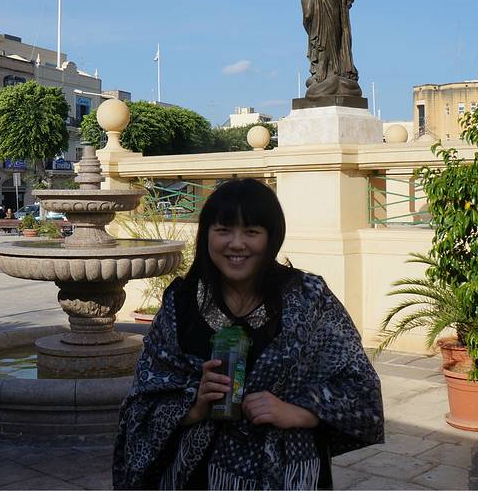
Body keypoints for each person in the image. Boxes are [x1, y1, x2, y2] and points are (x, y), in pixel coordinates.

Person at [113, 178, 384, 490]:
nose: (236, 244)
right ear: (206, 235)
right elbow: (141, 405)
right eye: (223, 230)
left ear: (272, 237)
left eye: (252, 232)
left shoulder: (310, 298)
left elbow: (361, 389)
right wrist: (194, 406)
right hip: (197, 474)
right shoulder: (181, 302)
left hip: (288, 473)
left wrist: (299, 412)